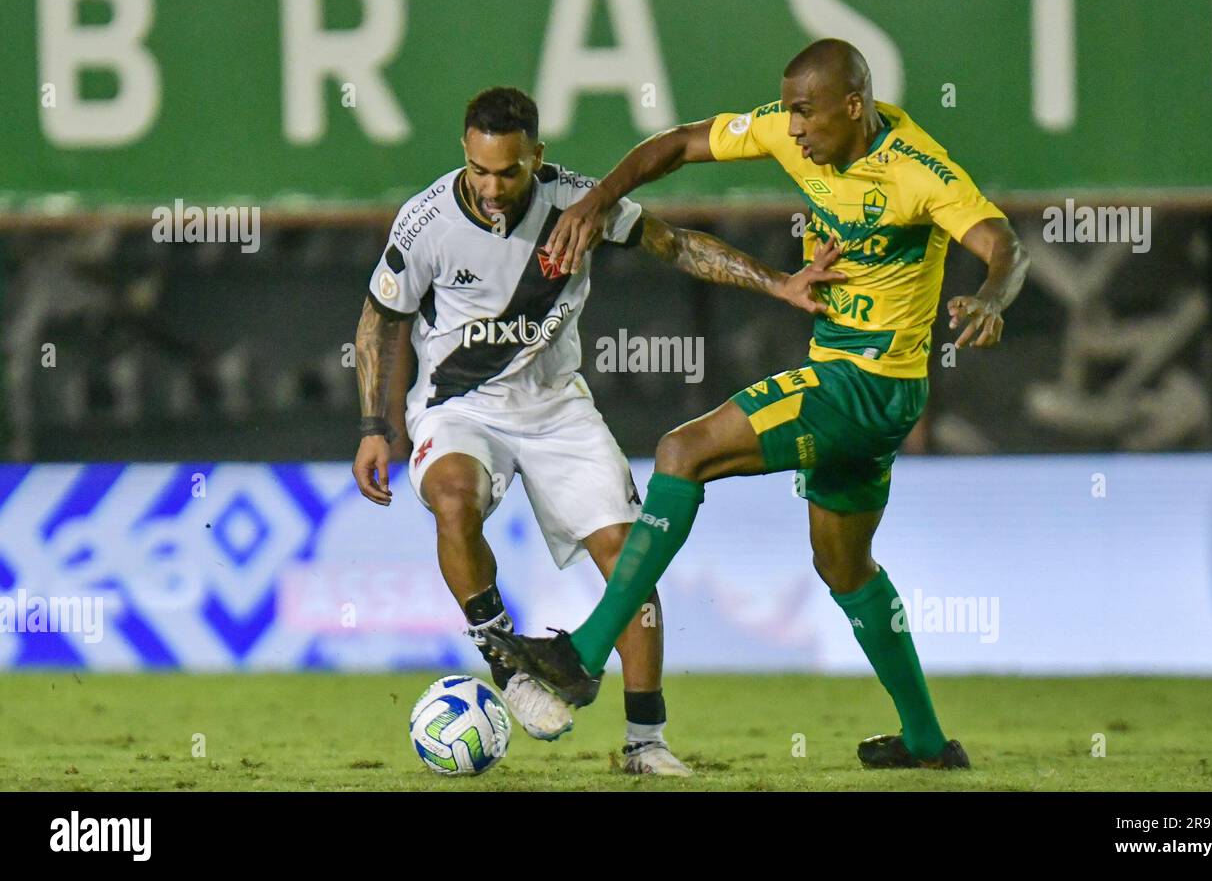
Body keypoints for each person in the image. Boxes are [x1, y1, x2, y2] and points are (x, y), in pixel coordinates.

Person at [487, 40, 1031, 770]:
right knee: (844, 568)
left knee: (683, 452)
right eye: (790, 112)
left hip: (859, 386)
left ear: (854, 104)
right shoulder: (788, 128)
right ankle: (929, 743)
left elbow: (1004, 245)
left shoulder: (918, 169)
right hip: (880, 396)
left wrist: (992, 299)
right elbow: (677, 145)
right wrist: (594, 201)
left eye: (807, 113)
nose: (794, 129)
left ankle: (583, 655)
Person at [352, 86, 841, 775]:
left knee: (629, 559)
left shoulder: (579, 203)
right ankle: (507, 665)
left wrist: (778, 284)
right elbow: (381, 318)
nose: (493, 188)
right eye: (480, 170)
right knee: (454, 498)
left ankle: (646, 742)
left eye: (510, 172)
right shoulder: (425, 221)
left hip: (557, 407)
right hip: (459, 405)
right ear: (464, 153)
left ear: (537, 157)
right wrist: (376, 424)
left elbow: (676, 245)